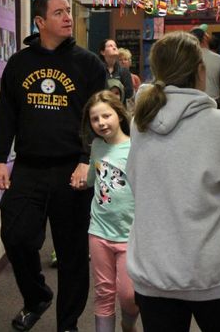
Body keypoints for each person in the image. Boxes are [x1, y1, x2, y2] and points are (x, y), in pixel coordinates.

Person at [126, 31, 220, 332]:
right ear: (200, 71)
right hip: (214, 273)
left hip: (154, 269)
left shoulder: (141, 122)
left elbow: (136, 184)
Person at [0, 0, 107, 332]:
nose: (67, 17)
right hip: (28, 166)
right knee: (16, 237)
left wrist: (87, 159)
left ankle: (68, 323)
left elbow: (100, 118)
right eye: (58, 13)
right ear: (40, 22)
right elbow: (6, 116)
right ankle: (37, 296)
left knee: (72, 254)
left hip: (73, 167)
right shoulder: (19, 64)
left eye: (68, 12)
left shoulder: (89, 65)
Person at [82, 91, 139, 332]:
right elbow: (92, 181)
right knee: (103, 292)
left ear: (119, 114)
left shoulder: (135, 147)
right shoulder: (96, 146)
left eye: (107, 116)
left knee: (129, 294)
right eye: (95, 119)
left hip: (129, 234)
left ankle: (128, 324)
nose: (101, 123)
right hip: (99, 231)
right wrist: (79, 178)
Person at [190, 25, 220, 108]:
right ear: (205, 38)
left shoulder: (186, 60)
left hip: (193, 104)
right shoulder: (219, 59)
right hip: (213, 103)